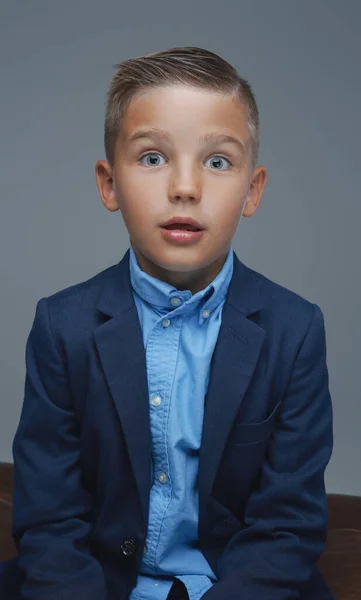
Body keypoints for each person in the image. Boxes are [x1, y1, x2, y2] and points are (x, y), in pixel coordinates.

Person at [0, 46, 334, 600]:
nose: (185, 187)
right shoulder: (63, 325)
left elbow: (287, 525)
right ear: (109, 184)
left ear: (253, 190)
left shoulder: (294, 330)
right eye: (153, 158)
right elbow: (50, 517)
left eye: (218, 161)